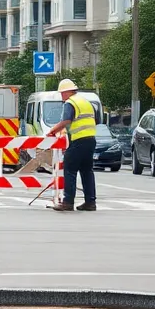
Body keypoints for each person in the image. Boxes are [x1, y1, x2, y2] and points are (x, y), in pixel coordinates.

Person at [45, 78, 97, 212]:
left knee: (69, 169)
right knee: (87, 171)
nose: (61, 96)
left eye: (62, 93)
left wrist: (52, 131)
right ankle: (90, 202)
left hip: (78, 140)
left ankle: (68, 202)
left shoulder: (70, 103)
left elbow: (66, 120)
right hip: (90, 140)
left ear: (68, 92)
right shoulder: (85, 102)